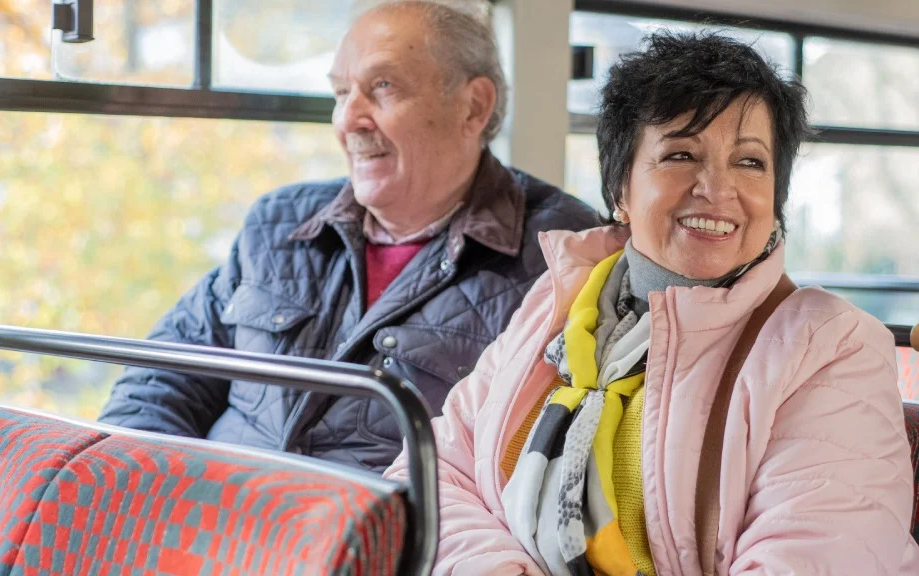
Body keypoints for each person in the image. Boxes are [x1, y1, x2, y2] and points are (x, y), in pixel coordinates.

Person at [385, 31, 919, 575]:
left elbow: (815, 555)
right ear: (620, 190)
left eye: (751, 163)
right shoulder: (557, 306)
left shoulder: (832, 345)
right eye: (681, 154)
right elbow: (428, 474)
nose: (717, 188)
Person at [97, 0, 599, 473]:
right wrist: (134, 488)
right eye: (341, 92)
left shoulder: (563, 254)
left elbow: (545, 469)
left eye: (382, 87)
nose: (347, 120)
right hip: (217, 523)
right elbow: (161, 379)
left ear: (473, 107)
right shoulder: (276, 224)